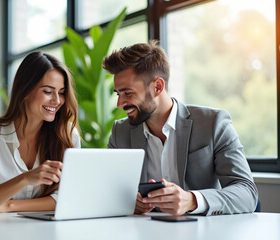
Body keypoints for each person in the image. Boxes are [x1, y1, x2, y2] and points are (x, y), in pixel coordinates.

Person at [102, 40, 258, 216]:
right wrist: (130, 201)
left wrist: (191, 200)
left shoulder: (213, 123)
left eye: (128, 93)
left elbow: (247, 193)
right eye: (118, 94)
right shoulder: (120, 132)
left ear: (158, 87)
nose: (119, 103)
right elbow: (110, 191)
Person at [0, 51, 81, 214]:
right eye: (48, 92)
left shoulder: (67, 135)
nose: (57, 100)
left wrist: (9, 205)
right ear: (25, 90)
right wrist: (25, 179)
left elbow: (68, 198)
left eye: (61, 92)